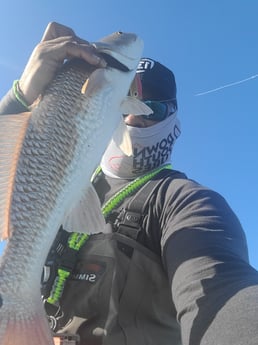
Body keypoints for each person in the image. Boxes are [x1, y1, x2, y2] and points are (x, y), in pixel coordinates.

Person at [1, 22, 258, 345]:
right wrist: (20, 97)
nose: (135, 118)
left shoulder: (184, 202)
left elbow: (222, 286)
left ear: (174, 123)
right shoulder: (56, 181)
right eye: (128, 104)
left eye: (153, 108)